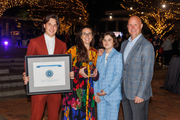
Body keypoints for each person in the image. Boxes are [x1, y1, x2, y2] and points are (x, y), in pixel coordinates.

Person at [22, 14, 67, 120]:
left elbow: (65, 65)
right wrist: (26, 74)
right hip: (38, 86)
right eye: (49, 24)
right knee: (36, 115)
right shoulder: (34, 42)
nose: (52, 27)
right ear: (44, 25)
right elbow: (27, 62)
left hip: (56, 87)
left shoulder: (62, 45)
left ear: (58, 27)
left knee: (54, 116)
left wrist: (68, 73)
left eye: (55, 25)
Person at [120, 15, 155, 120]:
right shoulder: (124, 44)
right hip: (125, 91)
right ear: (127, 26)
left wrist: (141, 94)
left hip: (138, 94)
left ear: (141, 26)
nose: (133, 27)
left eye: (136, 24)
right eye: (130, 25)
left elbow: (147, 73)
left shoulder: (146, 46)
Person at [61, 25, 99, 120]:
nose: (87, 36)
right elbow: (63, 67)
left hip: (89, 92)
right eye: (84, 34)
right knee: (75, 116)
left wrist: (96, 74)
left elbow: (97, 73)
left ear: (92, 36)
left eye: (89, 33)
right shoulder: (73, 50)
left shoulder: (95, 52)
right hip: (75, 91)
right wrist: (78, 71)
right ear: (80, 36)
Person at [94, 31, 123, 120]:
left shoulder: (118, 56)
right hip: (100, 95)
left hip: (113, 95)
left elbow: (118, 76)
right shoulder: (99, 56)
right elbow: (96, 76)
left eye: (109, 40)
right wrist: (95, 93)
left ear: (114, 41)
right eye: (104, 40)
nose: (106, 42)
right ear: (102, 42)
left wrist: (107, 90)